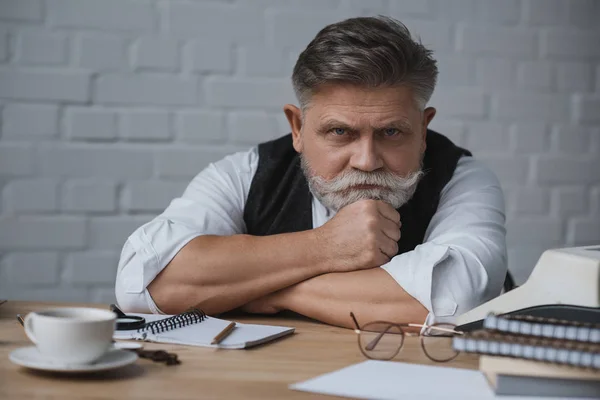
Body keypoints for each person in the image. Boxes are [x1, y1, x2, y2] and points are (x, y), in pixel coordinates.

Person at [115, 16, 507, 329]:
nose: (367, 160)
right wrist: (325, 246)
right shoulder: (244, 174)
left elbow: (457, 302)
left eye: (391, 132)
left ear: (422, 130)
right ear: (298, 128)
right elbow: (143, 283)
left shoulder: (465, 179)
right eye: (340, 132)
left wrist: (269, 291)